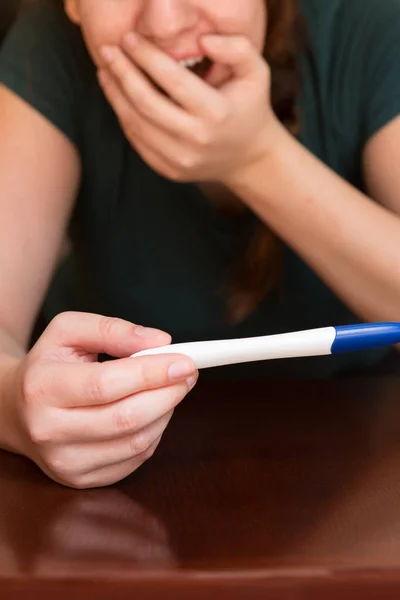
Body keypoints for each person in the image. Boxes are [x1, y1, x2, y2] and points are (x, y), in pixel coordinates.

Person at [0, 0, 399, 489]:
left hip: (366, 438)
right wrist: (15, 406)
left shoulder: (374, 24)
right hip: (123, 461)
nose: (165, 22)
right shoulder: (45, 45)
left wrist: (254, 158)